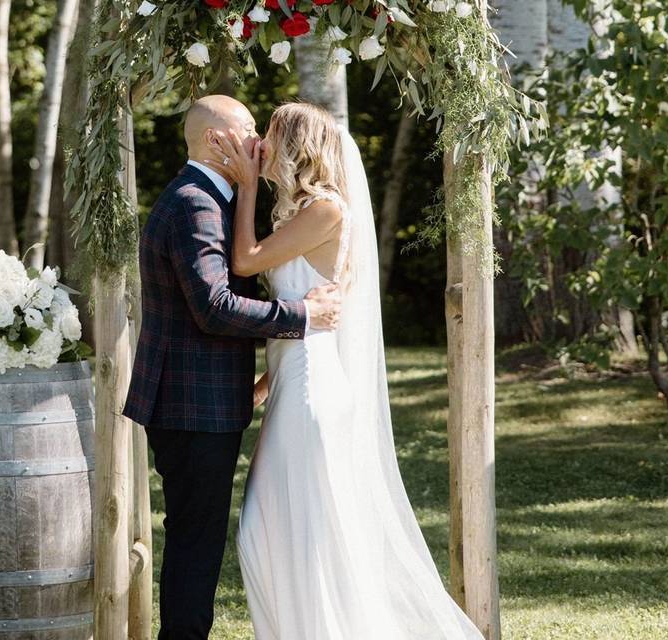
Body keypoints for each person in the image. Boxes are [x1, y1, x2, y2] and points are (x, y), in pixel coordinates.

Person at [207, 102, 485, 639]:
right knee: (267, 531)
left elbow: (243, 261)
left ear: (295, 148)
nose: (258, 143)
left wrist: (244, 186)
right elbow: (302, 311)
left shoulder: (327, 210)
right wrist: (266, 383)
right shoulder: (298, 212)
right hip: (294, 384)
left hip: (313, 393)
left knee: (298, 534)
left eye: (270, 134)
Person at [122, 95, 342, 640]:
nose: (259, 142)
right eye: (248, 129)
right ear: (216, 140)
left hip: (203, 402)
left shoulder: (212, 199)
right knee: (197, 540)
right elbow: (215, 308)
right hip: (192, 405)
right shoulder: (196, 202)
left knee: (199, 537)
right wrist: (303, 315)